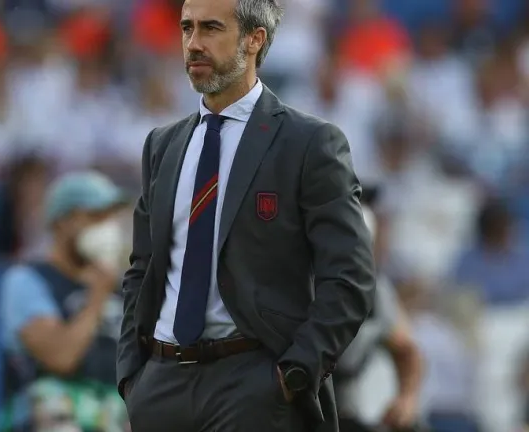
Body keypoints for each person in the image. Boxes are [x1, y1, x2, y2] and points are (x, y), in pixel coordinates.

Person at [116, 0, 376, 431]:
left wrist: (295, 373)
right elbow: (141, 269)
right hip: (161, 385)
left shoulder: (309, 142)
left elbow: (350, 277)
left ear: (255, 39)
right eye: (187, 28)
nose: (193, 43)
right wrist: (131, 376)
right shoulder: (162, 146)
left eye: (211, 28)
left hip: (254, 384)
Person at [0, 171, 131, 432]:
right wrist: (97, 297)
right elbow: (60, 358)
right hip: (47, 415)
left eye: (110, 216)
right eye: (95, 216)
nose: (107, 227)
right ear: (62, 222)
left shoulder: (123, 288)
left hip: (110, 413)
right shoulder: (27, 280)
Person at [335, 198, 424, 432]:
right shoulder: (294, 290)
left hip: (343, 409)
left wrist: (406, 399)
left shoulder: (377, 292)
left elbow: (406, 351)